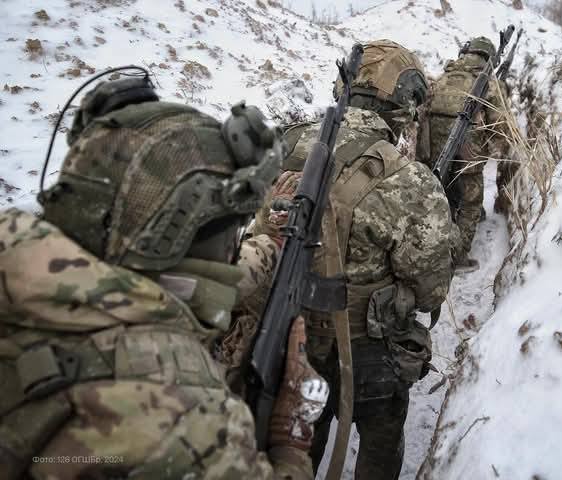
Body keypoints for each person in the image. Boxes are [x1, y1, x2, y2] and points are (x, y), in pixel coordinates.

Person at [0, 76, 327, 480]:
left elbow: (197, 277)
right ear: (171, 238)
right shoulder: (187, 423)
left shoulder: (33, 270)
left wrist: (270, 240)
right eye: (229, 232)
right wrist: (289, 443)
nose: (231, 250)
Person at [253, 39, 454, 480]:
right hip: (370, 354)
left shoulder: (282, 147)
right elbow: (430, 289)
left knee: (300, 438)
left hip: (287, 340)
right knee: (380, 446)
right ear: (405, 104)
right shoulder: (409, 179)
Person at [419, 36, 514, 270]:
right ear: (488, 58)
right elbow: (499, 127)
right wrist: (499, 152)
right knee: (471, 201)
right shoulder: (488, 84)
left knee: (443, 196)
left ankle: (430, 246)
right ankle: (457, 257)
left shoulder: (442, 78)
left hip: (432, 152)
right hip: (467, 155)